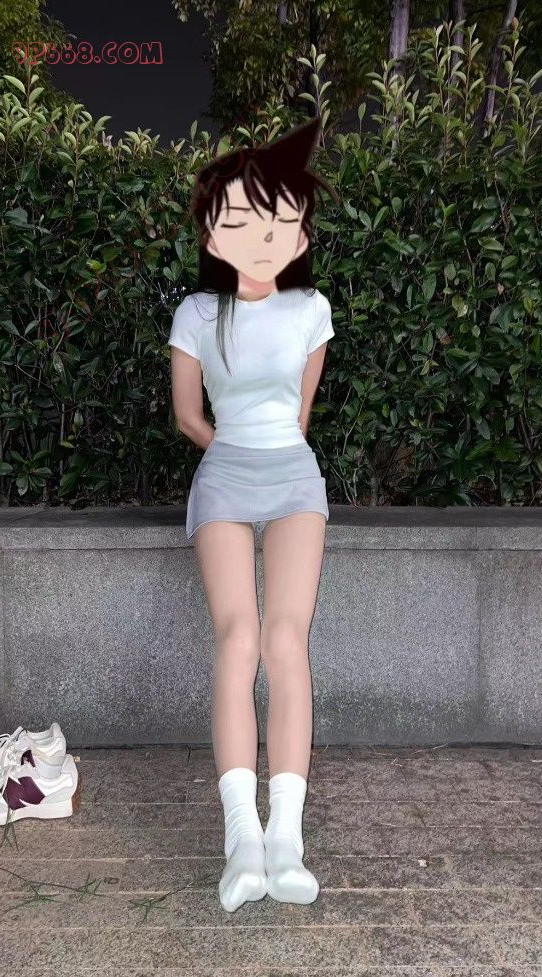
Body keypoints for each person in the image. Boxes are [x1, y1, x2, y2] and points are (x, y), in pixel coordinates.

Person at [168, 116, 338, 913]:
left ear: (300, 234)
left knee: (285, 640)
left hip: (294, 476)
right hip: (226, 476)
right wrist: (231, 449)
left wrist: (272, 449)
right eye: (238, 220)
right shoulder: (196, 314)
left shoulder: (312, 310)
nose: (260, 237)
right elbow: (187, 414)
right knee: (238, 638)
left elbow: (300, 413)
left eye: (277, 222)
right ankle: (242, 839)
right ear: (212, 232)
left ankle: (286, 840)